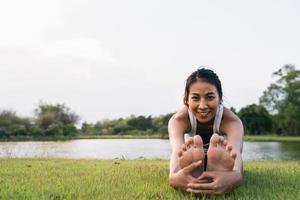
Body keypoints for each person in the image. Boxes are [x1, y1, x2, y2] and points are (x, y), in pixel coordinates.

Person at [168, 68, 244, 195]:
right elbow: (177, 151)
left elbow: (236, 152)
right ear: (186, 100)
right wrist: (174, 177)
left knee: (228, 156)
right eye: (195, 98)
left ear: (220, 98)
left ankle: (217, 168)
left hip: (220, 155)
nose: (202, 106)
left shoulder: (232, 121)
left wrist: (234, 177)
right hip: (192, 153)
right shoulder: (178, 120)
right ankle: (198, 166)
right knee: (187, 155)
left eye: (210, 97)